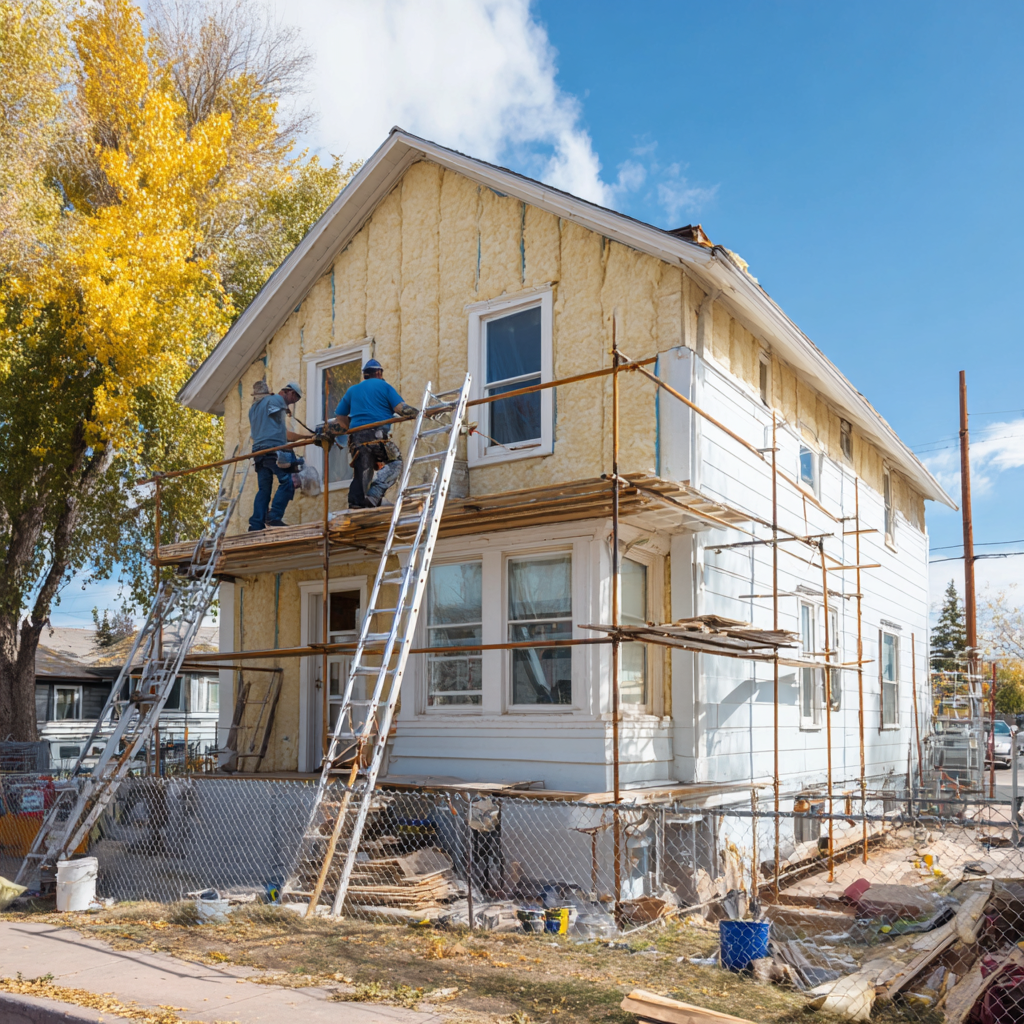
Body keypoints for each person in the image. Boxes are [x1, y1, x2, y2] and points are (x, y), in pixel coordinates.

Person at [329, 359, 418, 508]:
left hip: (356, 439)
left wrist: (349, 427)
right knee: (395, 462)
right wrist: (420, 414)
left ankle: (356, 503)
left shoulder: (352, 390)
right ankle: (374, 494)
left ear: (365, 374)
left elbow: (340, 417)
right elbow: (401, 409)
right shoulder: (384, 386)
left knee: (363, 470)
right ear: (378, 373)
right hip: (377, 437)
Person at [248, 380, 308, 531]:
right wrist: (309, 437)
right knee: (288, 481)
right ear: (289, 392)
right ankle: (274, 516)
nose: (291, 403)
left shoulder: (253, 409)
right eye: (294, 399)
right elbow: (286, 435)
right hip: (272, 449)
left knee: (264, 489)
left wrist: (304, 437)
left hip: (258, 452)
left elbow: (280, 432)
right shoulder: (276, 399)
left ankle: (256, 524)